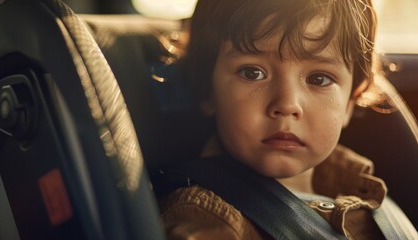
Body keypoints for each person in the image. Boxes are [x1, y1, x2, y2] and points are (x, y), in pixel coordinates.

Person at [157, 0, 417, 239]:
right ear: (207, 90)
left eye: (319, 79)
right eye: (252, 73)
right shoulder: (209, 219)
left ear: (350, 102)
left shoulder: (363, 187)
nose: (286, 104)